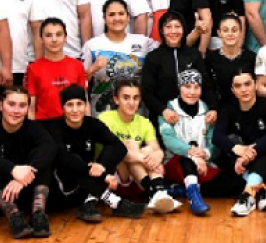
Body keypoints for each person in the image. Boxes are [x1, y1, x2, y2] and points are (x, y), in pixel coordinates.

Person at [48, 84, 146, 222]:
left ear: (86, 106)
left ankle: (89, 203)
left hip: (91, 182)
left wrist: (101, 166)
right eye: (70, 105)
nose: (75, 110)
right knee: (71, 159)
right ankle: (116, 203)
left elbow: (119, 147)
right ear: (63, 108)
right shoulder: (55, 128)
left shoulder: (92, 124)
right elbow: (63, 158)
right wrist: (102, 175)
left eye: (79, 104)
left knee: (111, 148)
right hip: (65, 188)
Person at [0, 86, 58, 238]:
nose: (16, 111)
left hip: (27, 194)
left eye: (22, 105)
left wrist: (23, 177)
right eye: (11, 104)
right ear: (1, 105)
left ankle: (38, 214)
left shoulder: (34, 128)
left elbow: (50, 148)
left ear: (27, 108)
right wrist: (12, 170)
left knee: (43, 161)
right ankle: (14, 217)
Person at [99, 80, 181, 214]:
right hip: (114, 179)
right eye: (126, 98)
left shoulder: (144, 122)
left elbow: (158, 151)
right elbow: (116, 151)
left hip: (136, 178)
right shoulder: (105, 118)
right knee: (129, 144)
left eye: (135, 98)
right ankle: (155, 191)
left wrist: (155, 157)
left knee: (149, 150)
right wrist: (145, 160)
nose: (131, 103)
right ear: (116, 100)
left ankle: (157, 193)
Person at [213, 68, 266, 217]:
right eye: (238, 86)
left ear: (255, 85)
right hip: (242, 166)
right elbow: (217, 136)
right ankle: (261, 190)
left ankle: (248, 197)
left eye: (247, 84)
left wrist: (252, 151)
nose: (243, 89)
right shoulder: (228, 109)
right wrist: (236, 149)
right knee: (232, 143)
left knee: (261, 150)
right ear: (233, 90)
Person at [159, 69, 230, 216]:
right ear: (179, 88)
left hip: (203, 165)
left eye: (196, 87)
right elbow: (169, 140)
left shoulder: (207, 111)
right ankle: (194, 198)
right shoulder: (169, 110)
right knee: (186, 159)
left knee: (235, 182)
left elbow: (215, 141)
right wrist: (193, 155)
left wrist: (205, 153)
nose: (192, 92)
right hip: (176, 163)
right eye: (187, 86)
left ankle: (183, 190)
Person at [142, 11, 218, 128]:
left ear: (184, 29)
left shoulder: (194, 55)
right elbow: (147, 92)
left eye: (177, 26)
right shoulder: (153, 58)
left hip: (194, 119)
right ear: (161, 30)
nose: (173, 31)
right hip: (164, 119)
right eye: (168, 27)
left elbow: (207, 86)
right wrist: (163, 110)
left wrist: (213, 108)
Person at [82, 0, 157, 115]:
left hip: (135, 116)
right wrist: (93, 69)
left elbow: (170, 48)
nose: (117, 18)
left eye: (121, 14)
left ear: (128, 17)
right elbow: (80, 81)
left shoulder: (144, 43)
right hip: (102, 115)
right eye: (111, 14)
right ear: (104, 18)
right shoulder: (92, 45)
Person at [26, 17, 86, 127]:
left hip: (71, 125)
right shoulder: (33, 68)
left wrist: (88, 126)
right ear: (41, 39)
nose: (54, 39)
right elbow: (31, 106)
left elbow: (84, 100)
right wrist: (32, 131)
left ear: (65, 38)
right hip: (44, 126)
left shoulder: (77, 66)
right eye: (48, 35)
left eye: (58, 34)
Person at [204, 12, 257, 114]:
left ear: (241, 32)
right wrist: (213, 108)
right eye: (225, 30)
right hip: (220, 111)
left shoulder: (251, 57)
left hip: (248, 110)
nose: (230, 34)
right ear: (219, 33)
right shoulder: (210, 59)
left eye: (234, 30)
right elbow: (208, 88)